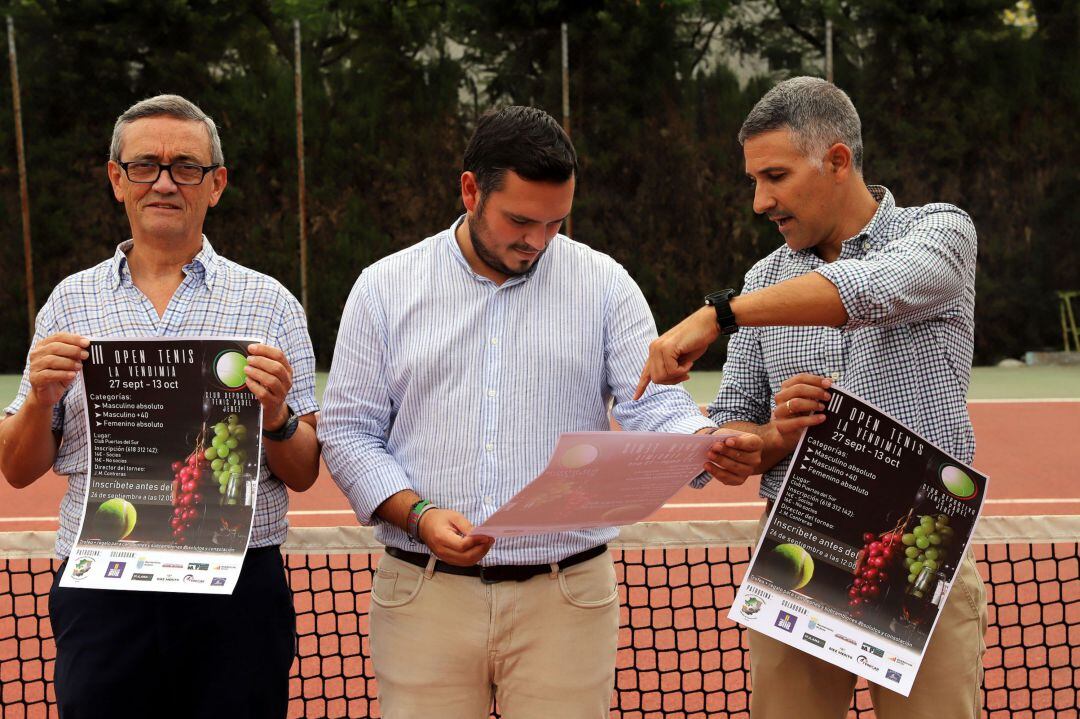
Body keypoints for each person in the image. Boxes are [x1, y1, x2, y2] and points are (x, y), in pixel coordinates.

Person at [318, 105, 764, 718]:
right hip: (423, 594)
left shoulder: (605, 283)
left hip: (567, 599)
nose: (537, 240)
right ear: (470, 191)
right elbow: (348, 433)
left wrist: (704, 441)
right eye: (521, 220)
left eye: (556, 222)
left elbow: (653, 402)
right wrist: (419, 515)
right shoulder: (382, 288)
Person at [635, 76, 988, 719]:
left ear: (837, 160)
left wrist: (719, 314)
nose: (759, 201)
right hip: (797, 548)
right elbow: (736, 418)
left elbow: (867, 289)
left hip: (921, 550)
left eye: (775, 176)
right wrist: (770, 438)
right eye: (753, 180)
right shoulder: (764, 278)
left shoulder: (941, 232)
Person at [0, 94, 321, 719]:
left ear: (216, 184)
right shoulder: (69, 303)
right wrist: (39, 400)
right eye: (145, 165)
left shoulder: (271, 304)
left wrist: (279, 416)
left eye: (187, 167)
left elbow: (304, 470)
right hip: (103, 589)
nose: (165, 182)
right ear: (117, 179)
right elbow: (16, 468)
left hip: (237, 590)